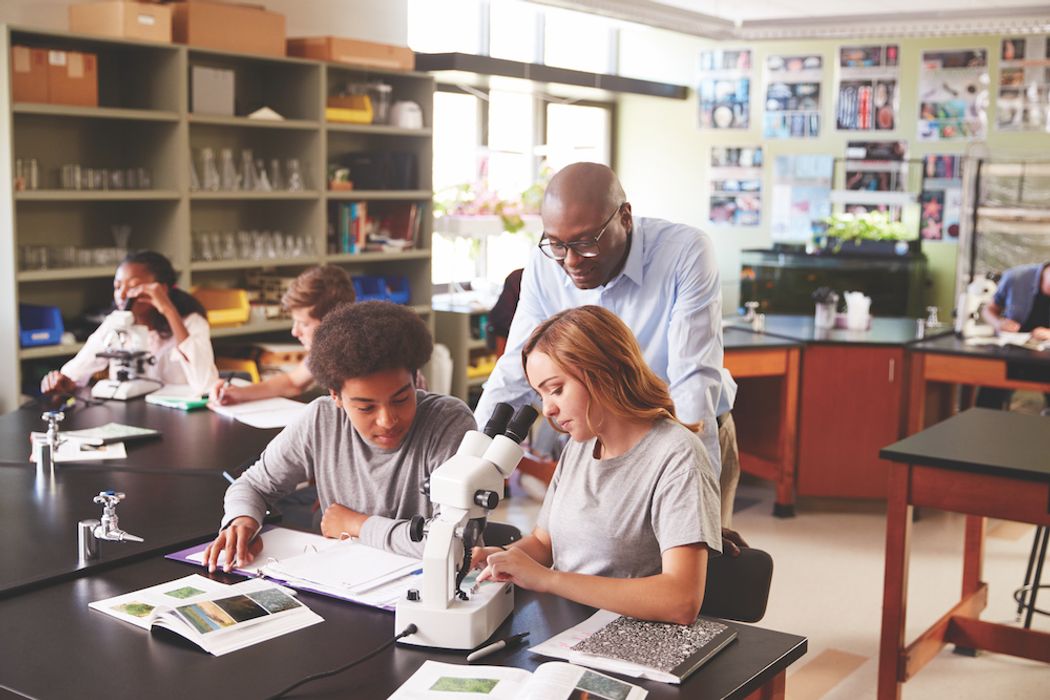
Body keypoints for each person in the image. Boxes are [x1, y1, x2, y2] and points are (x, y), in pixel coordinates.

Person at [473, 162, 742, 528]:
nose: (570, 260)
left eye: (586, 242)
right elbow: (513, 373)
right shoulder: (545, 263)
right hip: (598, 437)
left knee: (693, 572)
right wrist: (471, 459)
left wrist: (698, 496)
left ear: (625, 218)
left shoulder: (685, 252)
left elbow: (692, 382)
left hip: (684, 432)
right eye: (557, 244)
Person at [474, 306, 721, 624]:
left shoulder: (678, 456)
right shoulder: (581, 444)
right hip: (568, 628)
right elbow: (544, 542)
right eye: (540, 395)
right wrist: (503, 558)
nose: (547, 409)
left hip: (631, 641)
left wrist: (548, 580)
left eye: (557, 389)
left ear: (603, 372)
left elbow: (680, 601)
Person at [203, 301, 476, 571]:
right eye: (366, 407)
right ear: (336, 396)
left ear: (416, 379)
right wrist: (242, 520)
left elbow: (454, 544)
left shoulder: (448, 423)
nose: (387, 420)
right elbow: (253, 485)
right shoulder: (321, 419)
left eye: (402, 399)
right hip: (343, 581)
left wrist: (357, 524)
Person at [40, 250, 217, 396]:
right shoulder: (116, 323)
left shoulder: (192, 322)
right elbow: (77, 371)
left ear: (162, 289)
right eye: (117, 287)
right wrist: (61, 381)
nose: (122, 295)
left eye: (133, 286)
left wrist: (169, 311)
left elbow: (205, 384)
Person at [210, 265, 355, 405]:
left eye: (304, 324)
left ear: (332, 322)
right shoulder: (324, 352)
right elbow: (292, 382)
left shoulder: (357, 357)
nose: (295, 332)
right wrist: (238, 393)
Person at [977, 261, 1050, 411]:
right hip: (1012, 351)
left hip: (1046, 357)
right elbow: (989, 310)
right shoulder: (1016, 277)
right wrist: (999, 323)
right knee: (988, 398)